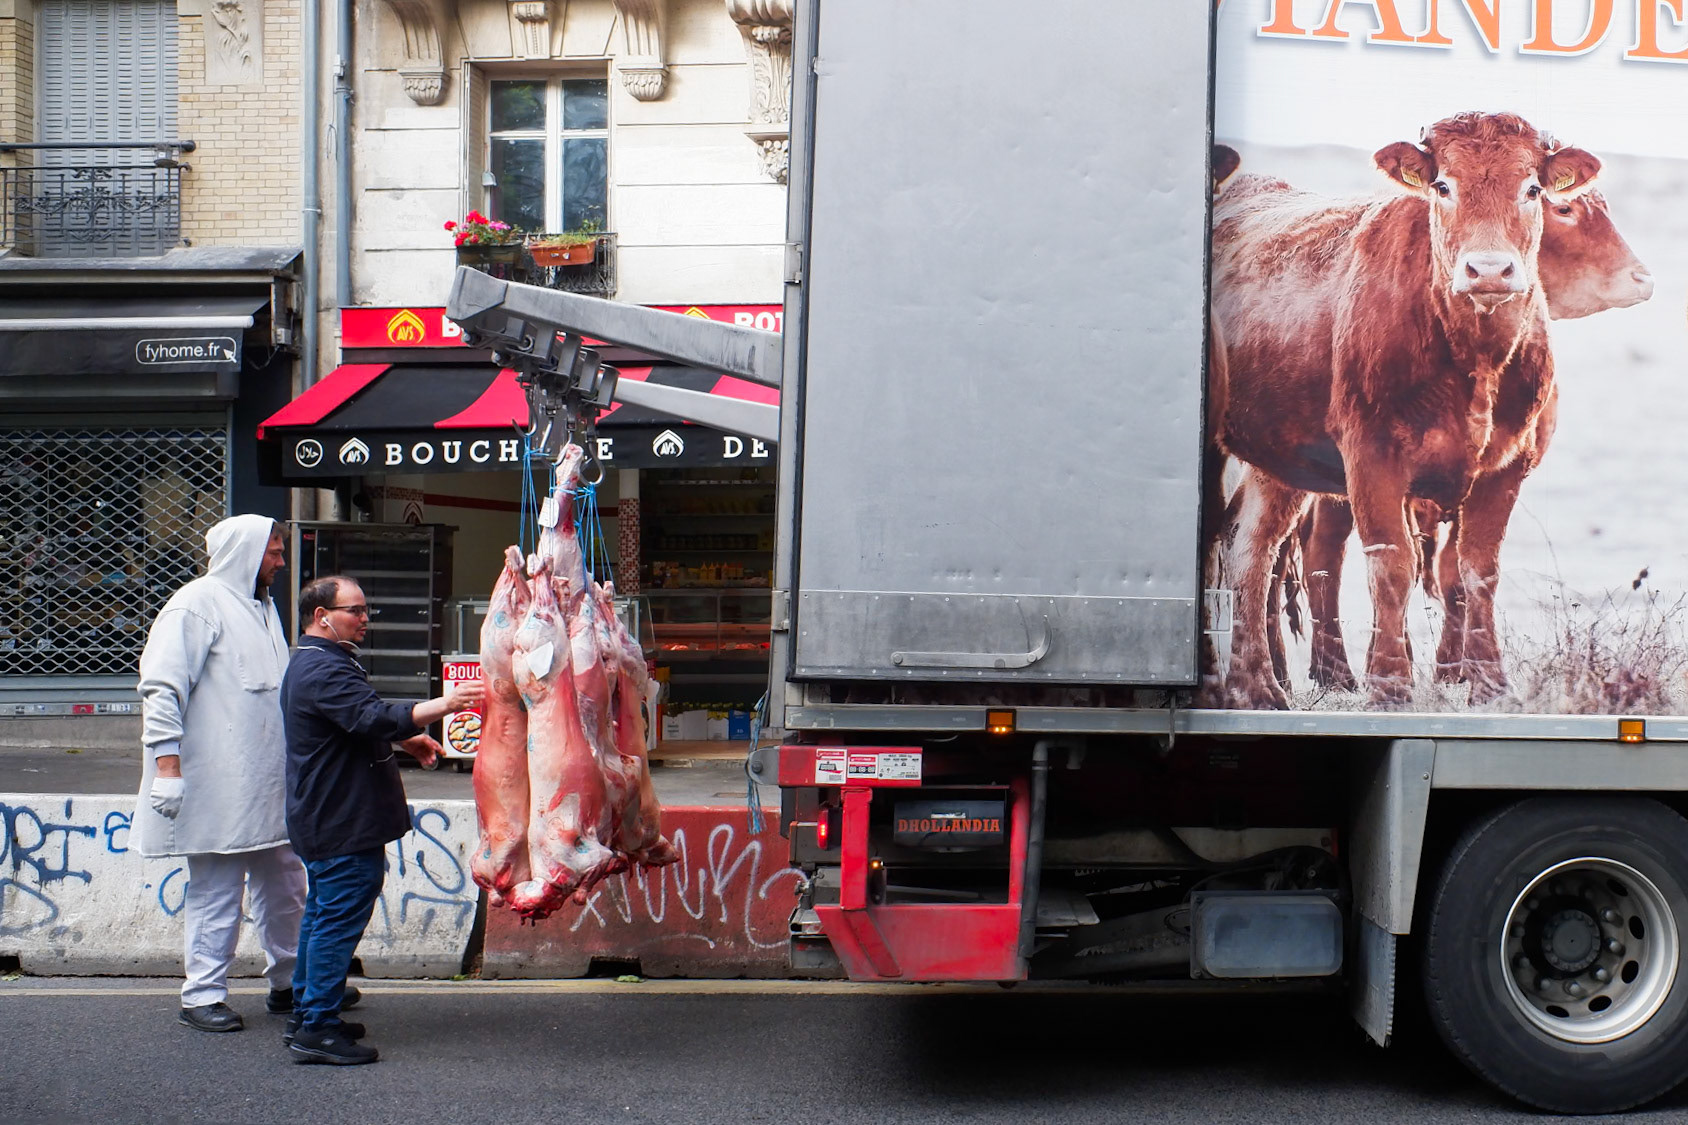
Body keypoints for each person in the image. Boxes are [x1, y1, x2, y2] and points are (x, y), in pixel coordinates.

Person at [281, 574, 484, 1065]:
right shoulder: (321, 669)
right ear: (321, 616)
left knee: (323, 912)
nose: (365, 618)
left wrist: (404, 739)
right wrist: (441, 706)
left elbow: (352, 723)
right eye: (355, 610)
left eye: (366, 609)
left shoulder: (323, 661)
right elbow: (368, 717)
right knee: (336, 916)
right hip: (338, 818)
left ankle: (307, 1010)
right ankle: (318, 1030)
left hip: (328, 814)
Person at [136, 514, 324, 1033]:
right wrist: (166, 767)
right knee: (217, 890)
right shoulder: (195, 604)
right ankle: (201, 995)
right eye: (275, 552)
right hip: (217, 784)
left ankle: (291, 984)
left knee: (286, 886)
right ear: (246, 551)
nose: (282, 562)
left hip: (268, 784)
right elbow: (161, 688)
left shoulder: (263, 608)